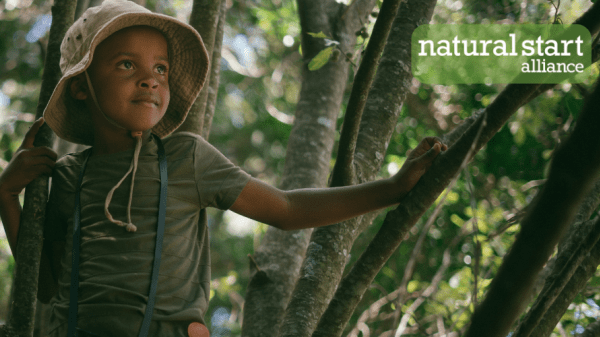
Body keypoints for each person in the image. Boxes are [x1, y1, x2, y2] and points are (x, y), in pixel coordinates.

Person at [0, 0, 447, 336]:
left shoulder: (184, 158)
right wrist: (6, 196)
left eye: (160, 68)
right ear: (81, 87)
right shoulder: (65, 178)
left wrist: (391, 188)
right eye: (125, 65)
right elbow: (43, 284)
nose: (151, 79)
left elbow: (286, 210)